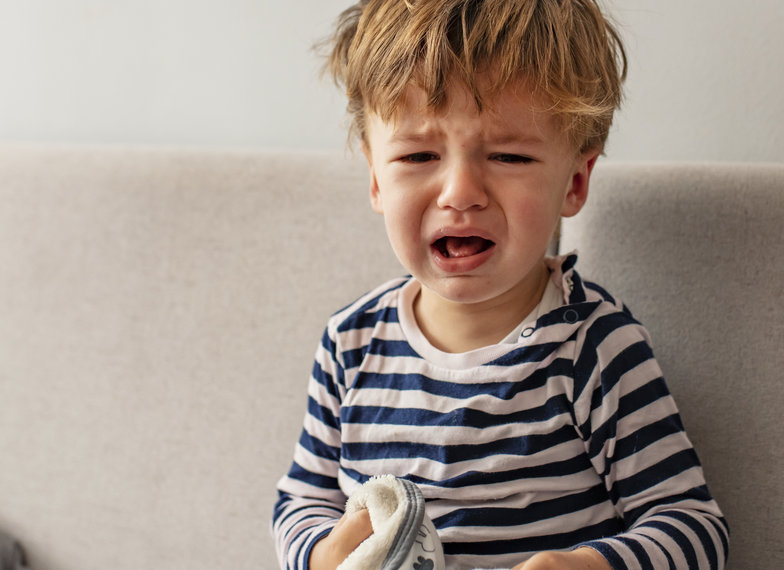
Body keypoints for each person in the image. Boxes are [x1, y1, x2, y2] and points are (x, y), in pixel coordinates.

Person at [272, 1, 728, 568]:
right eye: (418, 155)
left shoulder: (594, 348)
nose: (460, 192)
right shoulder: (350, 341)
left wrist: (582, 565)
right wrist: (318, 553)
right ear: (375, 178)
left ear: (575, 182)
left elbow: (693, 525)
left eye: (509, 155)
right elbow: (301, 500)